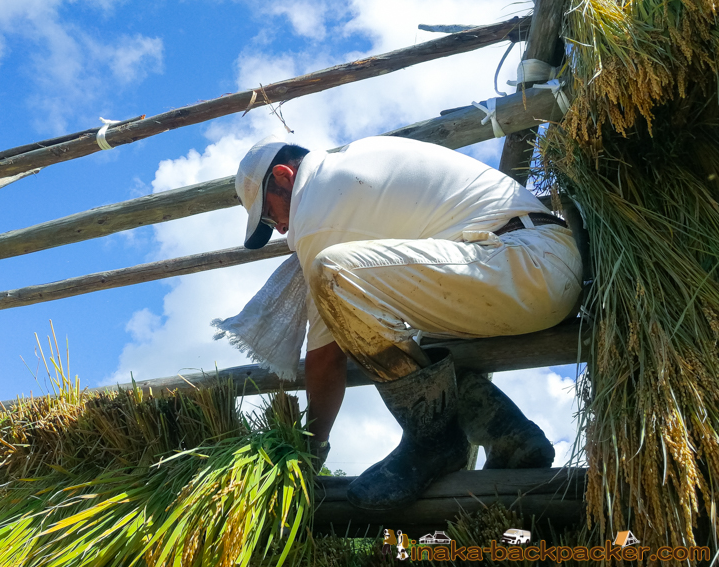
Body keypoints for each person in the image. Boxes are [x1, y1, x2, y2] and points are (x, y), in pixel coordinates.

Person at [234, 134, 582, 510]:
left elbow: (326, 359)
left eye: (270, 215)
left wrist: (309, 452)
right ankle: (510, 436)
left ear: (285, 178)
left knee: (333, 274)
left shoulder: (317, 203)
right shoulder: (353, 163)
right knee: (415, 344)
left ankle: (433, 442)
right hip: (537, 260)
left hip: (527, 264)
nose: (282, 230)